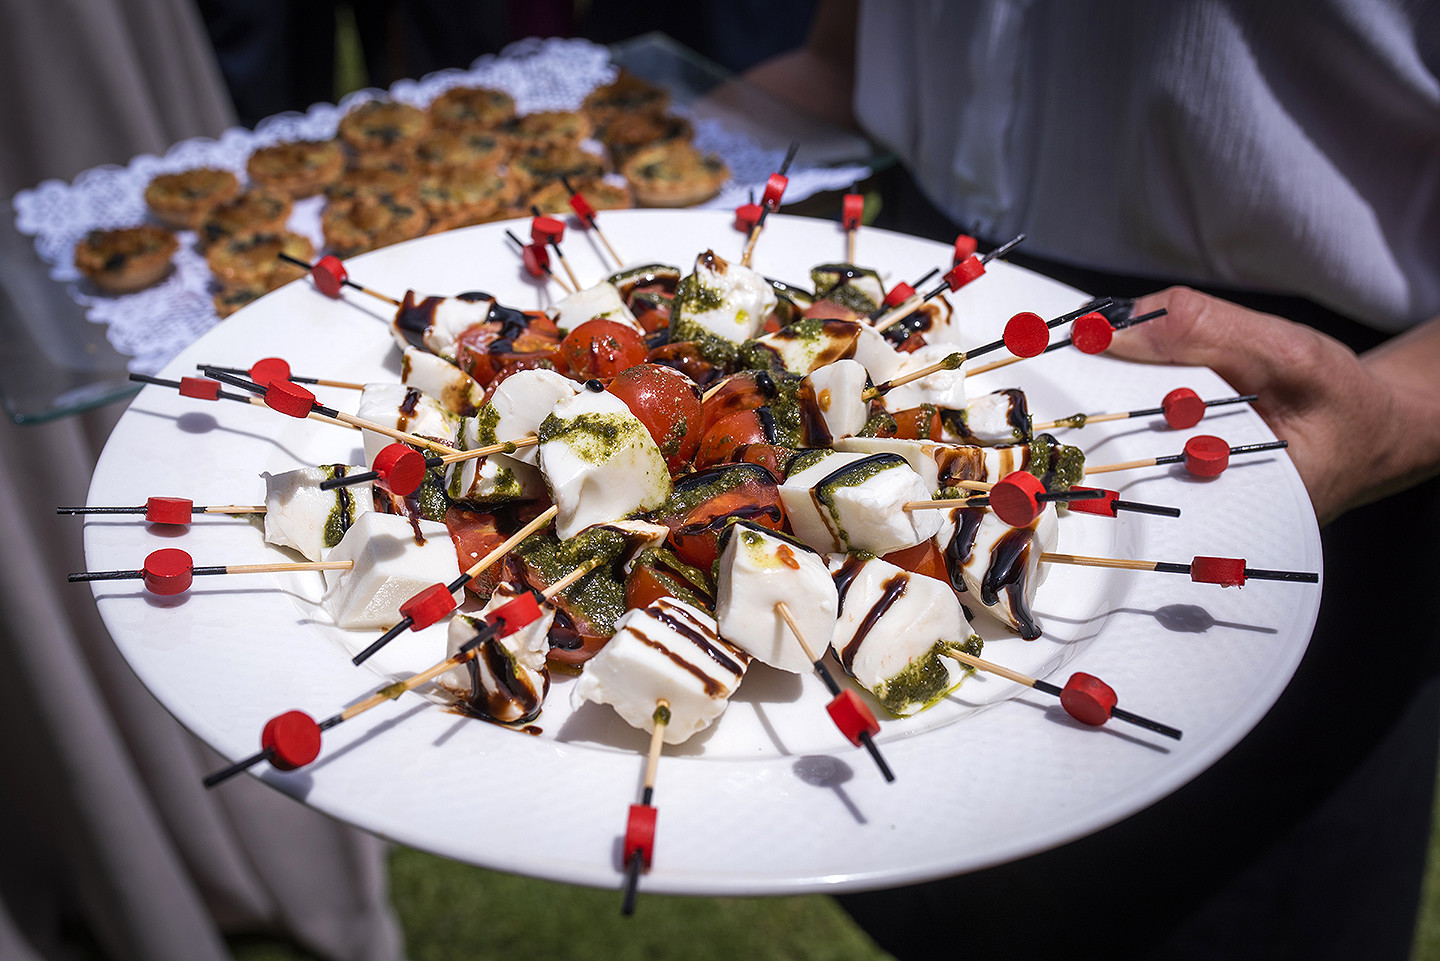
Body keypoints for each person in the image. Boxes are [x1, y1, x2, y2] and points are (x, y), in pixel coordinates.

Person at [745, 2, 1440, 958]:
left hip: (1318, 388)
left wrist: (1400, 412)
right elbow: (839, 57)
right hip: (931, 293)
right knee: (951, 900)